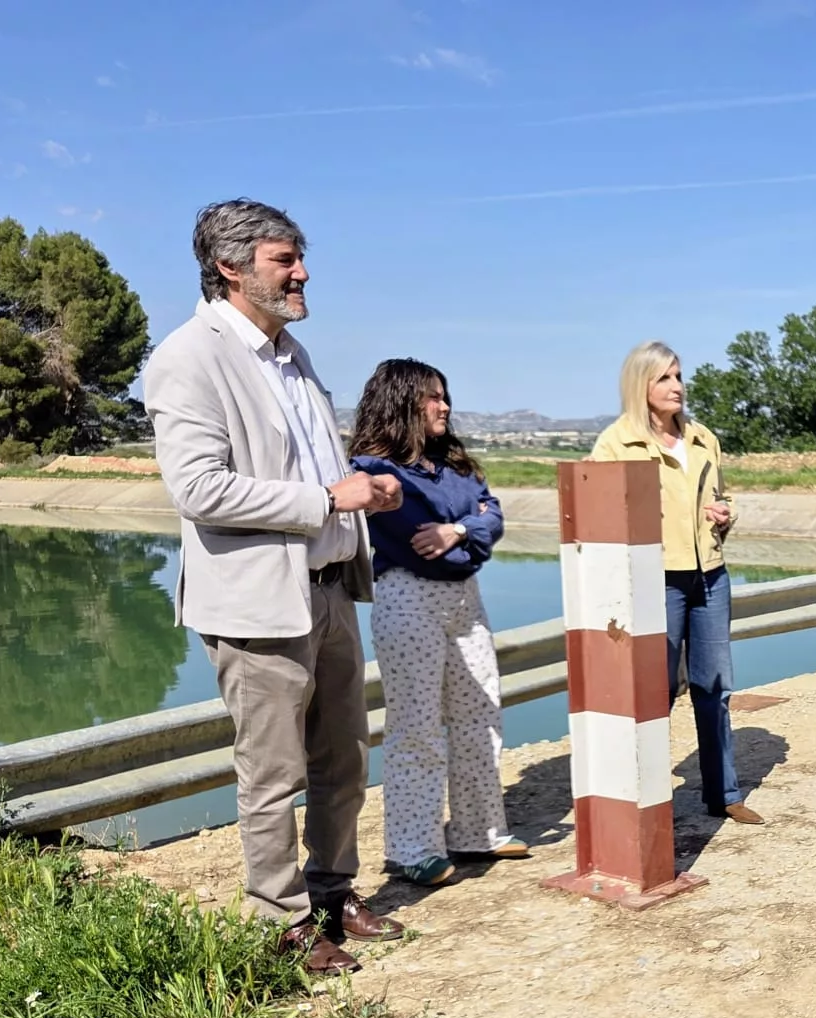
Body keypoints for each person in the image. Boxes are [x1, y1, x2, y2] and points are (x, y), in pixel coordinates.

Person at [143, 199, 405, 974]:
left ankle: (332, 891)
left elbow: (309, 467)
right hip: (257, 604)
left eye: (298, 258)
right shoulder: (188, 357)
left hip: (328, 589)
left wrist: (362, 491)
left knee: (344, 760)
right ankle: (281, 922)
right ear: (230, 268)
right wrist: (326, 499)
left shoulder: (292, 353)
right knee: (272, 772)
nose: (303, 273)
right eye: (284, 260)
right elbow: (199, 489)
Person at [347, 359, 529, 888]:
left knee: (481, 713)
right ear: (401, 401)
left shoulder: (455, 465)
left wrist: (458, 531)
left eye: (444, 395)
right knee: (417, 727)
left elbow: (492, 518)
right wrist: (468, 532)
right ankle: (413, 848)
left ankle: (479, 831)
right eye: (432, 396)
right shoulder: (373, 470)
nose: (444, 405)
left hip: (465, 599)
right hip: (409, 597)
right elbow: (417, 542)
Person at [590, 343, 763, 825]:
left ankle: (723, 793)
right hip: (654, 581)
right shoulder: (615, 444)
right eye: (664, 378)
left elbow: (723, 497)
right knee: (655, 691)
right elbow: (597, 513)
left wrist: (725, 515)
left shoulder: (703, 438)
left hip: (710, 575)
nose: (677, 387)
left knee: (715, 686)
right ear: (640, 384)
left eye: (679, 376)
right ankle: (646, 799)